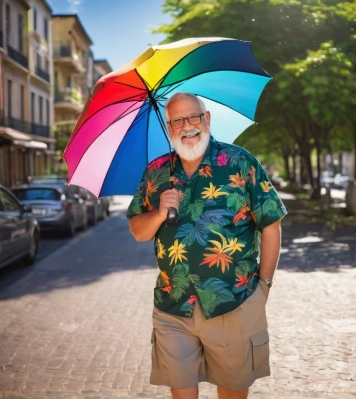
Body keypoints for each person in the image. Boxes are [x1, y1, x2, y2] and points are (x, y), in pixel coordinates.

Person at [127, 92, 287, 399]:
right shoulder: (156, 172)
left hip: (233, 303)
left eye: (194, 117)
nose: (187, 126)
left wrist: (263, 286)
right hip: (173, 306)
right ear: (169, 128)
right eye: (177, 121)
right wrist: (159, 212)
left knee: (232, 393)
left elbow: (271, 223)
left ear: (207, 119)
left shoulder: (241, 163)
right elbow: (138, 230)